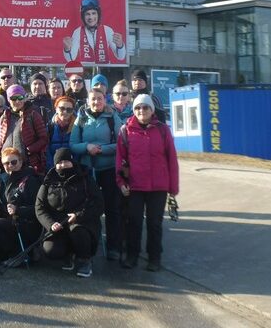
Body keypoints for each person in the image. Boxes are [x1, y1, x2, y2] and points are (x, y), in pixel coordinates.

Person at [117, 94, 179, 271]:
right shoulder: (125, 131)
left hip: (158, 186)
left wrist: (173, 188)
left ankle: (154, 258)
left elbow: (172, 160)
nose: (141, 111)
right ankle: (132, 256)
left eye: (145, 107)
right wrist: (121, 182)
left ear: (152, 110)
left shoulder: (163, 130)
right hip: (135, 186)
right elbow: (120, 159)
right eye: (138, 108)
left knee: (154, 223)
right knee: (134, 221)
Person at [70, 88, 123, 261]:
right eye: (93, 99)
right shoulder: (82, 118)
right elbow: (73, 144)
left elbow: (120, 143)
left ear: (105, 100)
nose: (96, 102)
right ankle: (90, 244)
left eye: (99, 99)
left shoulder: (112, 117)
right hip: (87, 170)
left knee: (112, 209)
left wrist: (101, 150)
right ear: (88, 100)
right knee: (89, 209)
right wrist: (87, 147)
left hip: (108, 169)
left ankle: (113, 246)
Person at [36, 148, 104, 278]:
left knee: (77, 231)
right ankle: (68, 254)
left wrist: (78, 216)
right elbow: (39, 207)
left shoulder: (85, 177)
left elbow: (99, 203)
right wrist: (50, 224)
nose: (63, 165)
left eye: (66, 161)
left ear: (72, 161)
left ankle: (84, 260)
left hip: (82, 222)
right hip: (58, 225)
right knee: (50, 250)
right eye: (59, 162)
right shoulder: (49, 180)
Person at [0, 147, 42, 263]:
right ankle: (18, 252)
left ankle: (20, 253)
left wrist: (18, 210)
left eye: (13, 162)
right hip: (10, 222)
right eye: (6, 163)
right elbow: (3, 203)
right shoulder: (1, 180)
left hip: (26, 224)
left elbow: (38, 209)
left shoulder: (31, 180)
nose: (10, 165)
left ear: (20, 161)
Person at [0, 85, 48, 175]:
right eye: (13, 98)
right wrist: (0, 150)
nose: (17, 101)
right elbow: (2, 139)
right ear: (9, 100)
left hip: (28, 163)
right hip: (8, 164)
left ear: (24, 98)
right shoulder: (4, 116)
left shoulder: (33, 114)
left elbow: (44, 138)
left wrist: (29, 150)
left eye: (20, 97)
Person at [62, 0, 126, 64]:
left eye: (93, 13)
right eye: (87, 14)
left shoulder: (107, 30)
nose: (91, 17)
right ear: (83, 17)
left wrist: (120, 45)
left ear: (98, 15)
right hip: (86, 70)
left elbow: (121, 57)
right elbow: (71, 59)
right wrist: (67, 49)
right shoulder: (77, 32)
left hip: (104, 70)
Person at [46, 96, 77, 167]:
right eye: (62, 108)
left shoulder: (77, 127)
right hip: (55, 168)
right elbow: (47, 150)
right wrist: (52, 168)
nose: (65, 112)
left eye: (69, 110)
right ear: (56, 109)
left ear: (72, 111)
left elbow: (78, 152)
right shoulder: (50, 127)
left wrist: (74, 166)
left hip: (73, 168)